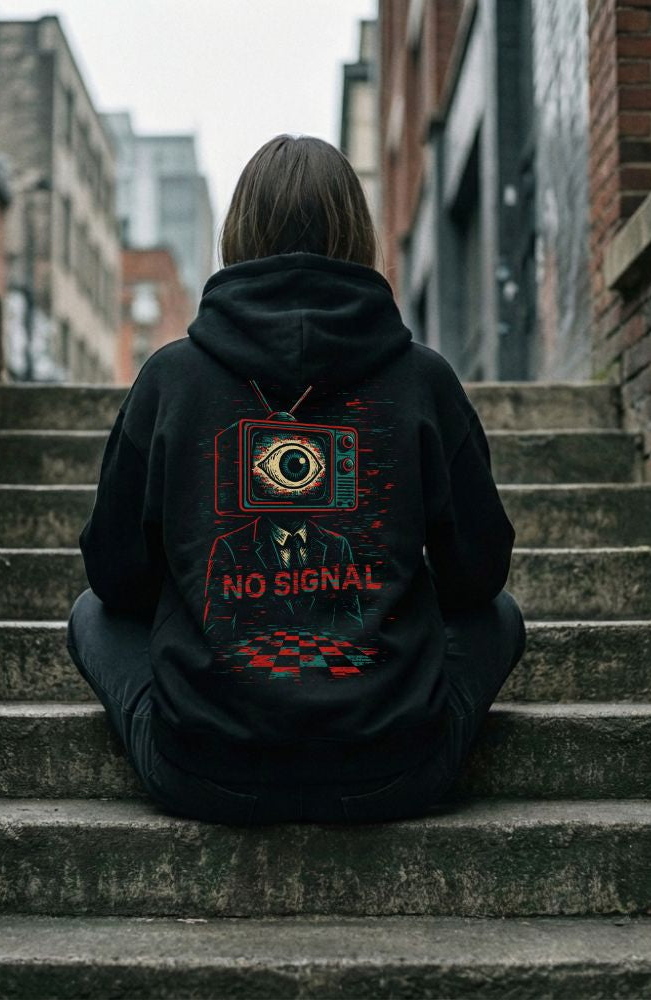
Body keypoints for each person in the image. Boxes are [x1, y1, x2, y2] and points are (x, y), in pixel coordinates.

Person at [67, 134, 525, 825]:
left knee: (90, 616)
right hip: (395, 770)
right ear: (359, 232)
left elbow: (116, 577)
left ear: (237, 233)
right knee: (501, 618)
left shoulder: (171, 379)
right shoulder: (422, 379)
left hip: (203, 771)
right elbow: (477, 576)